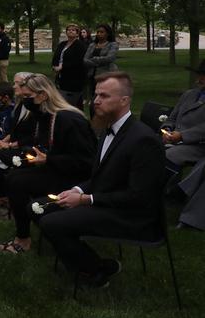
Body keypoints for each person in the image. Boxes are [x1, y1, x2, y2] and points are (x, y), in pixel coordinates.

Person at [38, 72, 165, 287]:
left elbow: (139, 197)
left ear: (124, 100)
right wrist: (77, 190)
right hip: (109, 202)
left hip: (133, 217)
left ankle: (96, 270)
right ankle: (91, 264)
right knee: (42, 207)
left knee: (51, 222)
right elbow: (101, 177)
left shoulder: (143, 140)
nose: (96, 101)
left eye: (104, 96)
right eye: (96, 95)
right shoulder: (107, 129)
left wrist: (87, 200)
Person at [0, 74, 96, 254]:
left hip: (77, 179)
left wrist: (48, 159)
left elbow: (86, 162)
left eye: (28, 97)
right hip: (57, 168)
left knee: (17, 182)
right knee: (13, 177)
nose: (25, 102)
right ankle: (20, 224)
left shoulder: (68, 119)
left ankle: (23, 238)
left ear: (43, 95)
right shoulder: (44, 116)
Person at [165, 60, 205, 229]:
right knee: (147, 148)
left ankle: (172, 192)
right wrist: (166, 129)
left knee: (170, 154)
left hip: (197, 145)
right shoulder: (189, 94)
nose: (199, 79)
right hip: (174, 139)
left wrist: (182, 135)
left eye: (203, 76)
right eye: (200, 75)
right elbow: (172, 117)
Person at [83, 24, 118, 116]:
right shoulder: (92, 45)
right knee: (94, 99)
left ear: (108, 34)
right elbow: (85, 59)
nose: (99, 34)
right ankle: (94, 119)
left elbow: (110, 58)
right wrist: (97, 61)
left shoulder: (112, 45)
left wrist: (94, 59)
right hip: (92, 75)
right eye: (98, 32)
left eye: (102, 32)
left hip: (106, 75)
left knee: (105, 99)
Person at [52, 24, 88, 109]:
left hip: (74, 77)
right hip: (61, 76)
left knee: (71, 102)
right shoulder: (62, 44)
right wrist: (55, 66)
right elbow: (56, 56)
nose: (70, 31)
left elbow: (79, 61)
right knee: (61, 98)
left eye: (73, 30)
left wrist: (63, 67)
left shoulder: (80, 45)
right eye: (68, 30)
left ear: (77, 33)